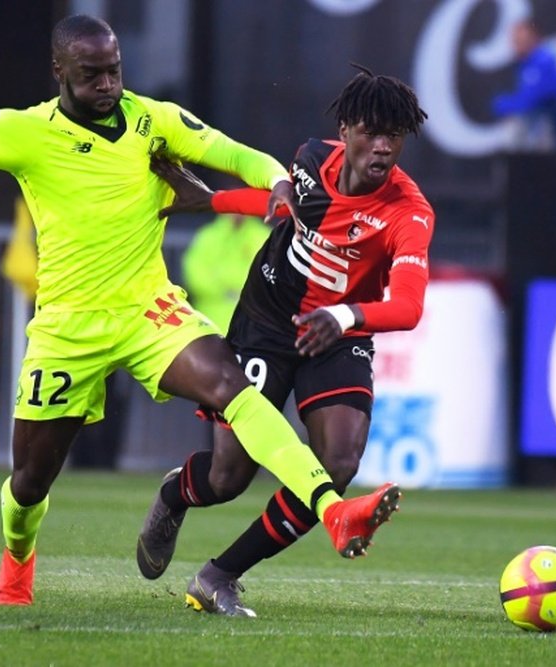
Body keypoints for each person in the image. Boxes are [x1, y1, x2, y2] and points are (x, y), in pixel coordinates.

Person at [0, 15, 401, 607]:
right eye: (91, 74)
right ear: (60, 72)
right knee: (29, 482)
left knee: (234, 388)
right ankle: (18, 563)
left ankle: (332, 509)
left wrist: (277, 182)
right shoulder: (24, 132)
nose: (106, 85)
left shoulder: (156, 121)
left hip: (148, 311)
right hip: (67, 329)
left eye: (114, 71)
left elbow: (233, 153)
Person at [137, 64, 434, 617]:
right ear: (345, 130)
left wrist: (346, 317)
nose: (383, 147)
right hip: (267, 323)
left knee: (338, 460)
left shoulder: (408, 213)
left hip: (338, 333)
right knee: (228, 476)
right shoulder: (308, 162)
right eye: (371, 131)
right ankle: (175, 494)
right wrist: (210, 200)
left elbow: (410, 307)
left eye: (394, 136)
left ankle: (218, 576)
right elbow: (280, 208)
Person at [493, 18, 556, 150]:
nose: (516, 44)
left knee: (515, 130)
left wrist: (500, 104)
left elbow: (528, 102)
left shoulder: (544, 61)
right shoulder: (523, 64)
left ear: (534, 39)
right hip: (550, 131)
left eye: (521, 40)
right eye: (514, 40)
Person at [181, 212, 269, 332]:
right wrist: (225, 291)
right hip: (211, 317)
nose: (237, 212)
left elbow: (269, 275)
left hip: (254, 320)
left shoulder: (262, 235)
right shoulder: (208, 236)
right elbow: (194, 273)